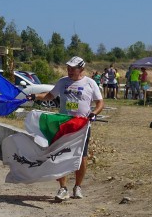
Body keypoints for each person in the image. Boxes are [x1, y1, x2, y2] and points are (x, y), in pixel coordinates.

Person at [26, 56, 104, 201]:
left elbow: (100, 102)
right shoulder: (62, 82)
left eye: (73, 68)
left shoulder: (90, 83)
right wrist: (35, 96)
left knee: (81, 156)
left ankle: (78, 187)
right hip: (63, 124)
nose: (69, 71)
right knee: (60, 155)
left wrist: (94, 113)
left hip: (81, 125)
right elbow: (50, 95)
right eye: (68, 68)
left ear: (81, 69)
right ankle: (63, 189)